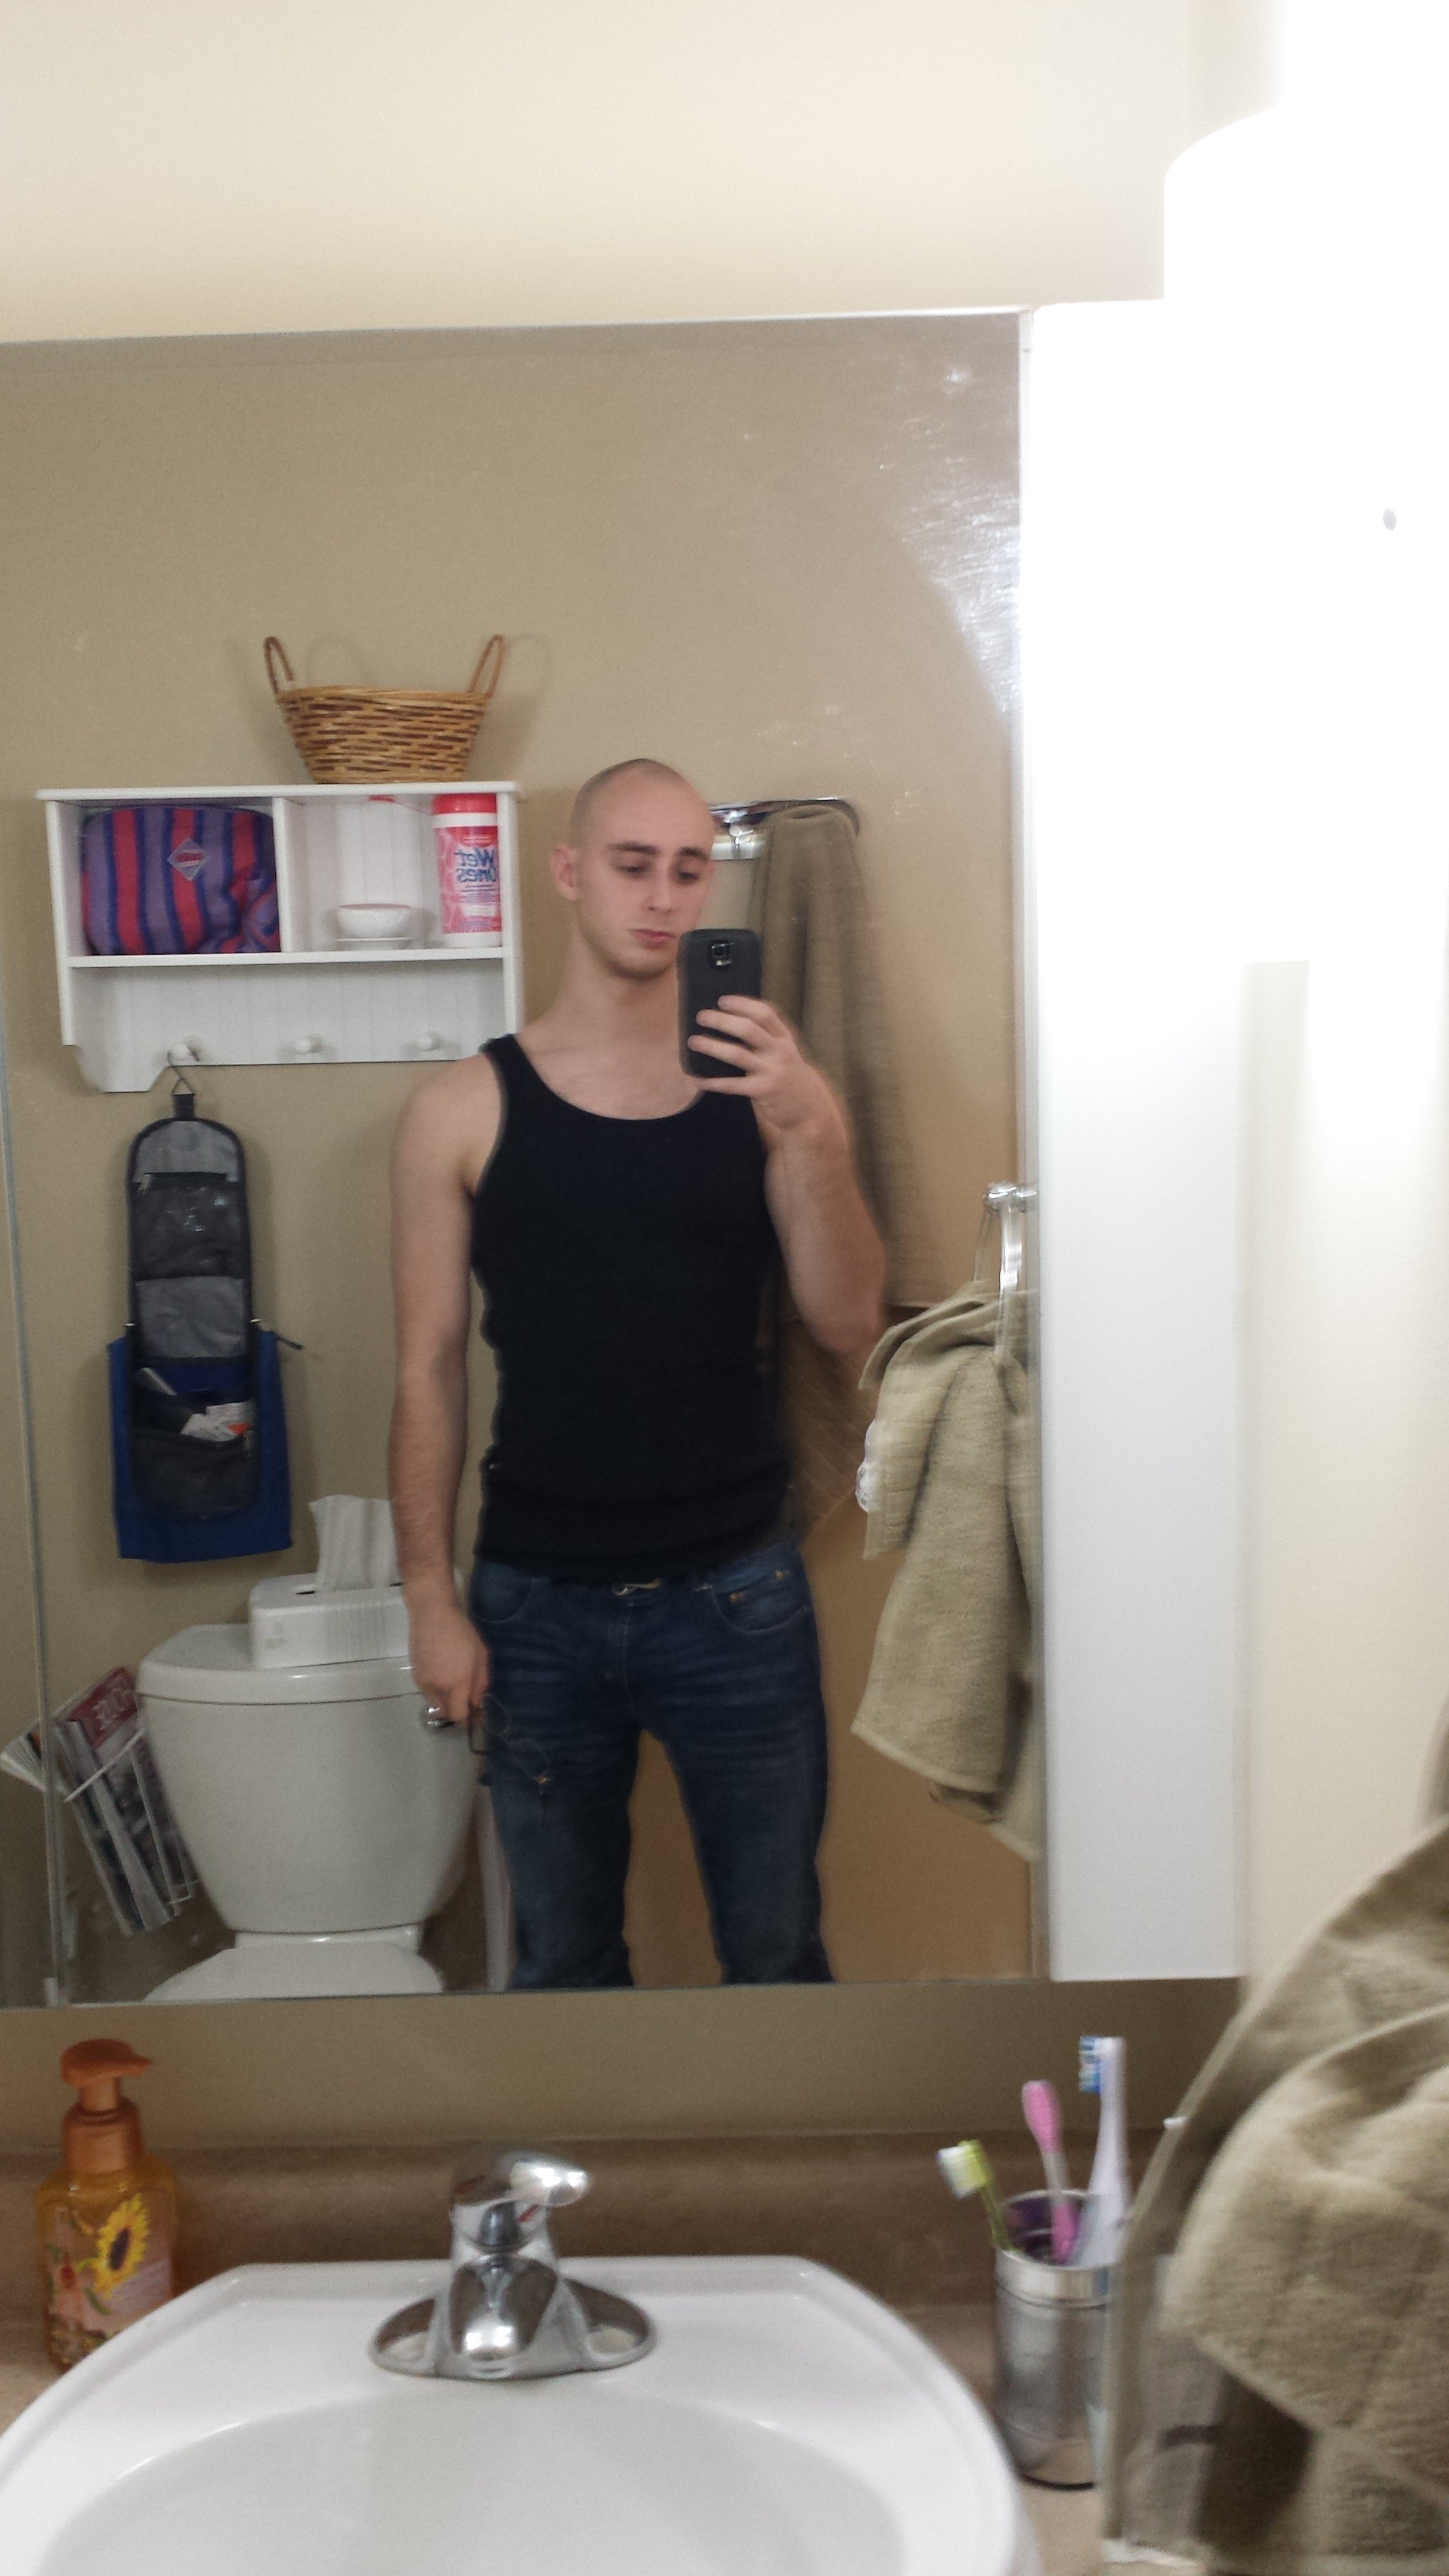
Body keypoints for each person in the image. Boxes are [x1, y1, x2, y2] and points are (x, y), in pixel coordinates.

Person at [388, 758, 885, 1988]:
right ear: (569, 873)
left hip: (737, 1593)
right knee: (562, 1966)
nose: (661, 897)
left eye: (686, 869)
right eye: (631, 865)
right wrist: (429, 1599)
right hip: (534, 1602)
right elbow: (427, 1368)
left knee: (777, 1951)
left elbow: (846, 1320)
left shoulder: (765, 1093)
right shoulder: (461, 1109)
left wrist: (815, 1129)